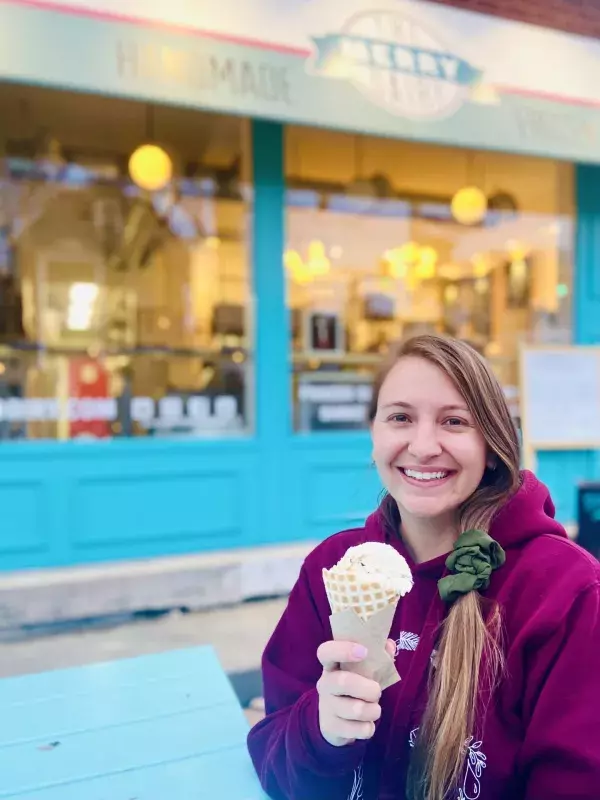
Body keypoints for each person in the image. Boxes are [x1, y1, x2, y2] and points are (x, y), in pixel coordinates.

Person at [247, 334, 600, 800]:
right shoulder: (331, 571)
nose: (424, 446)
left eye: (454, 421)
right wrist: (320, 730)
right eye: (400, 417)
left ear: (492, 444)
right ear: (373, 435)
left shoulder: (567, 593)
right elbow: (275, 767)